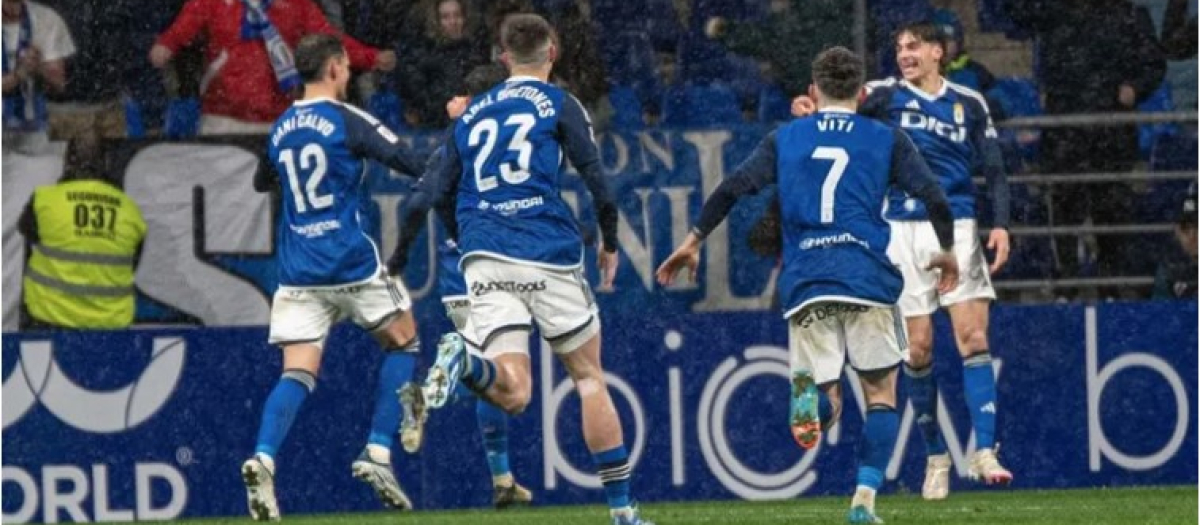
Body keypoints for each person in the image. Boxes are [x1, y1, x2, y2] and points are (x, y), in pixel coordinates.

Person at [658, 47, 958, 524]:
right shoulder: (886, 138)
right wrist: (946, 251)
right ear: (861, 93)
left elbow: (733, 186)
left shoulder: (786, 137)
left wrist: (694, 239)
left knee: (828, 398)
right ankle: (863, 501)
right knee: (881, 394)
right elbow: (935, 197)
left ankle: (814, 399)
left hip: (805, 279)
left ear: (814, 92)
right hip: (864, 276)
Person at [411, 14, 653, 525]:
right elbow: (597, 181)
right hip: (545, 249)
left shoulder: (473, 115)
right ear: (553, 52)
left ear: (503, 56)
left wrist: (466, 239)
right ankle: (623, 513)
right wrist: (609, 241)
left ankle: (466, 362)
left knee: (514, 392)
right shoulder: (561, 104)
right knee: (588, 377)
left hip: (485, 254)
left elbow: (434, 189)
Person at [795, 21, 1014, 500]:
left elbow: (994, 170)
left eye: (914, 46)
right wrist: (813, 111)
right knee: (918, 350)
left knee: (973, 336)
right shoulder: (884, 95)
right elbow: (842, 109)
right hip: (900, 228)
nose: (905, 54)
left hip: (954, 225)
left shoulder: (969, 103)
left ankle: (984, 450)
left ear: (939, 51)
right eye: (899, 48)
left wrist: (1000, 223)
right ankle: (936, 454)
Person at [241, 33, 424, 521]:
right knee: (404, 340)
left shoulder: (281, 128)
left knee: (298, 372)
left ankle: (263, 457)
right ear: (335, 69)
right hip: (350, 263)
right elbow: (409, 161)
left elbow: (263, 180)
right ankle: (379, 452)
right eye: (347, 67)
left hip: (299, 272)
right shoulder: (348, 120)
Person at [390, 63, 534, 509]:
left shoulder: (451, 146)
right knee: (505, 379)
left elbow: (417, 202)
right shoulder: (503, 148)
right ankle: (433, 393)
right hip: (499, 274)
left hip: (459, 280)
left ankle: (503, 479)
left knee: (491, 376)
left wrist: (399, 257)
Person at [149, 0, 397, 135]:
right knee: (227, 208)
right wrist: (166, 46)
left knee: (277, 207)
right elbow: (182, 29)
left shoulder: (295, 4)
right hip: (223, 118)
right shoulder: (211, 3)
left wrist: (370, 57)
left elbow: (328, 39)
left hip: (278, 119)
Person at [18, 140, 146, 330]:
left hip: (48, 323)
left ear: (68, 162)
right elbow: (133, 262)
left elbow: (27, 232)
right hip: (110, 329)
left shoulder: (45, 201)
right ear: (107, 165)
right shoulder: (130, 210)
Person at [2, 0, 74, 154]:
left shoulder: (45, 19)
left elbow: (59, 84)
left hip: (34, 136)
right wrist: (18, 75)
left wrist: (38, 67)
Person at [1153, 183, 1198, 299]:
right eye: (1185, 229)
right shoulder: (1170, 270)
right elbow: (1160, 312)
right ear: (1177, 232)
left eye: (1198, 227)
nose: (1192, 236)